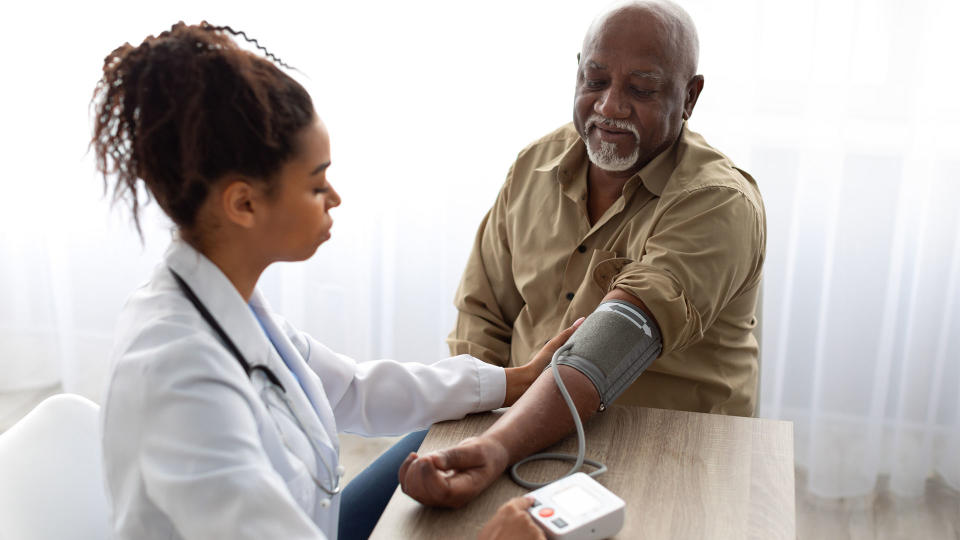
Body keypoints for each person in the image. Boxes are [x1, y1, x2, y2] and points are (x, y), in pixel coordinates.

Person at [92, 21, 574, 540]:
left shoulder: (229, 301)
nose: (335, 198)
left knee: (446, 435)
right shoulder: (178, 378)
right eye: (317, 183)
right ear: (244, 203)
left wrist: (515, 380)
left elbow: (352, 389)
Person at [400, 0, 766, 514]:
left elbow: (617, 338)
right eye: (595, 80)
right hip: (508, 419)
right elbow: (482, 313)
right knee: (362, 519)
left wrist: (497, 445)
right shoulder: (536, 163)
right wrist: (479, 422)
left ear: (690, 97)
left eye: (640, 89)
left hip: (665, 450)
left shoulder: (717, 201)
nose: (610, 106)